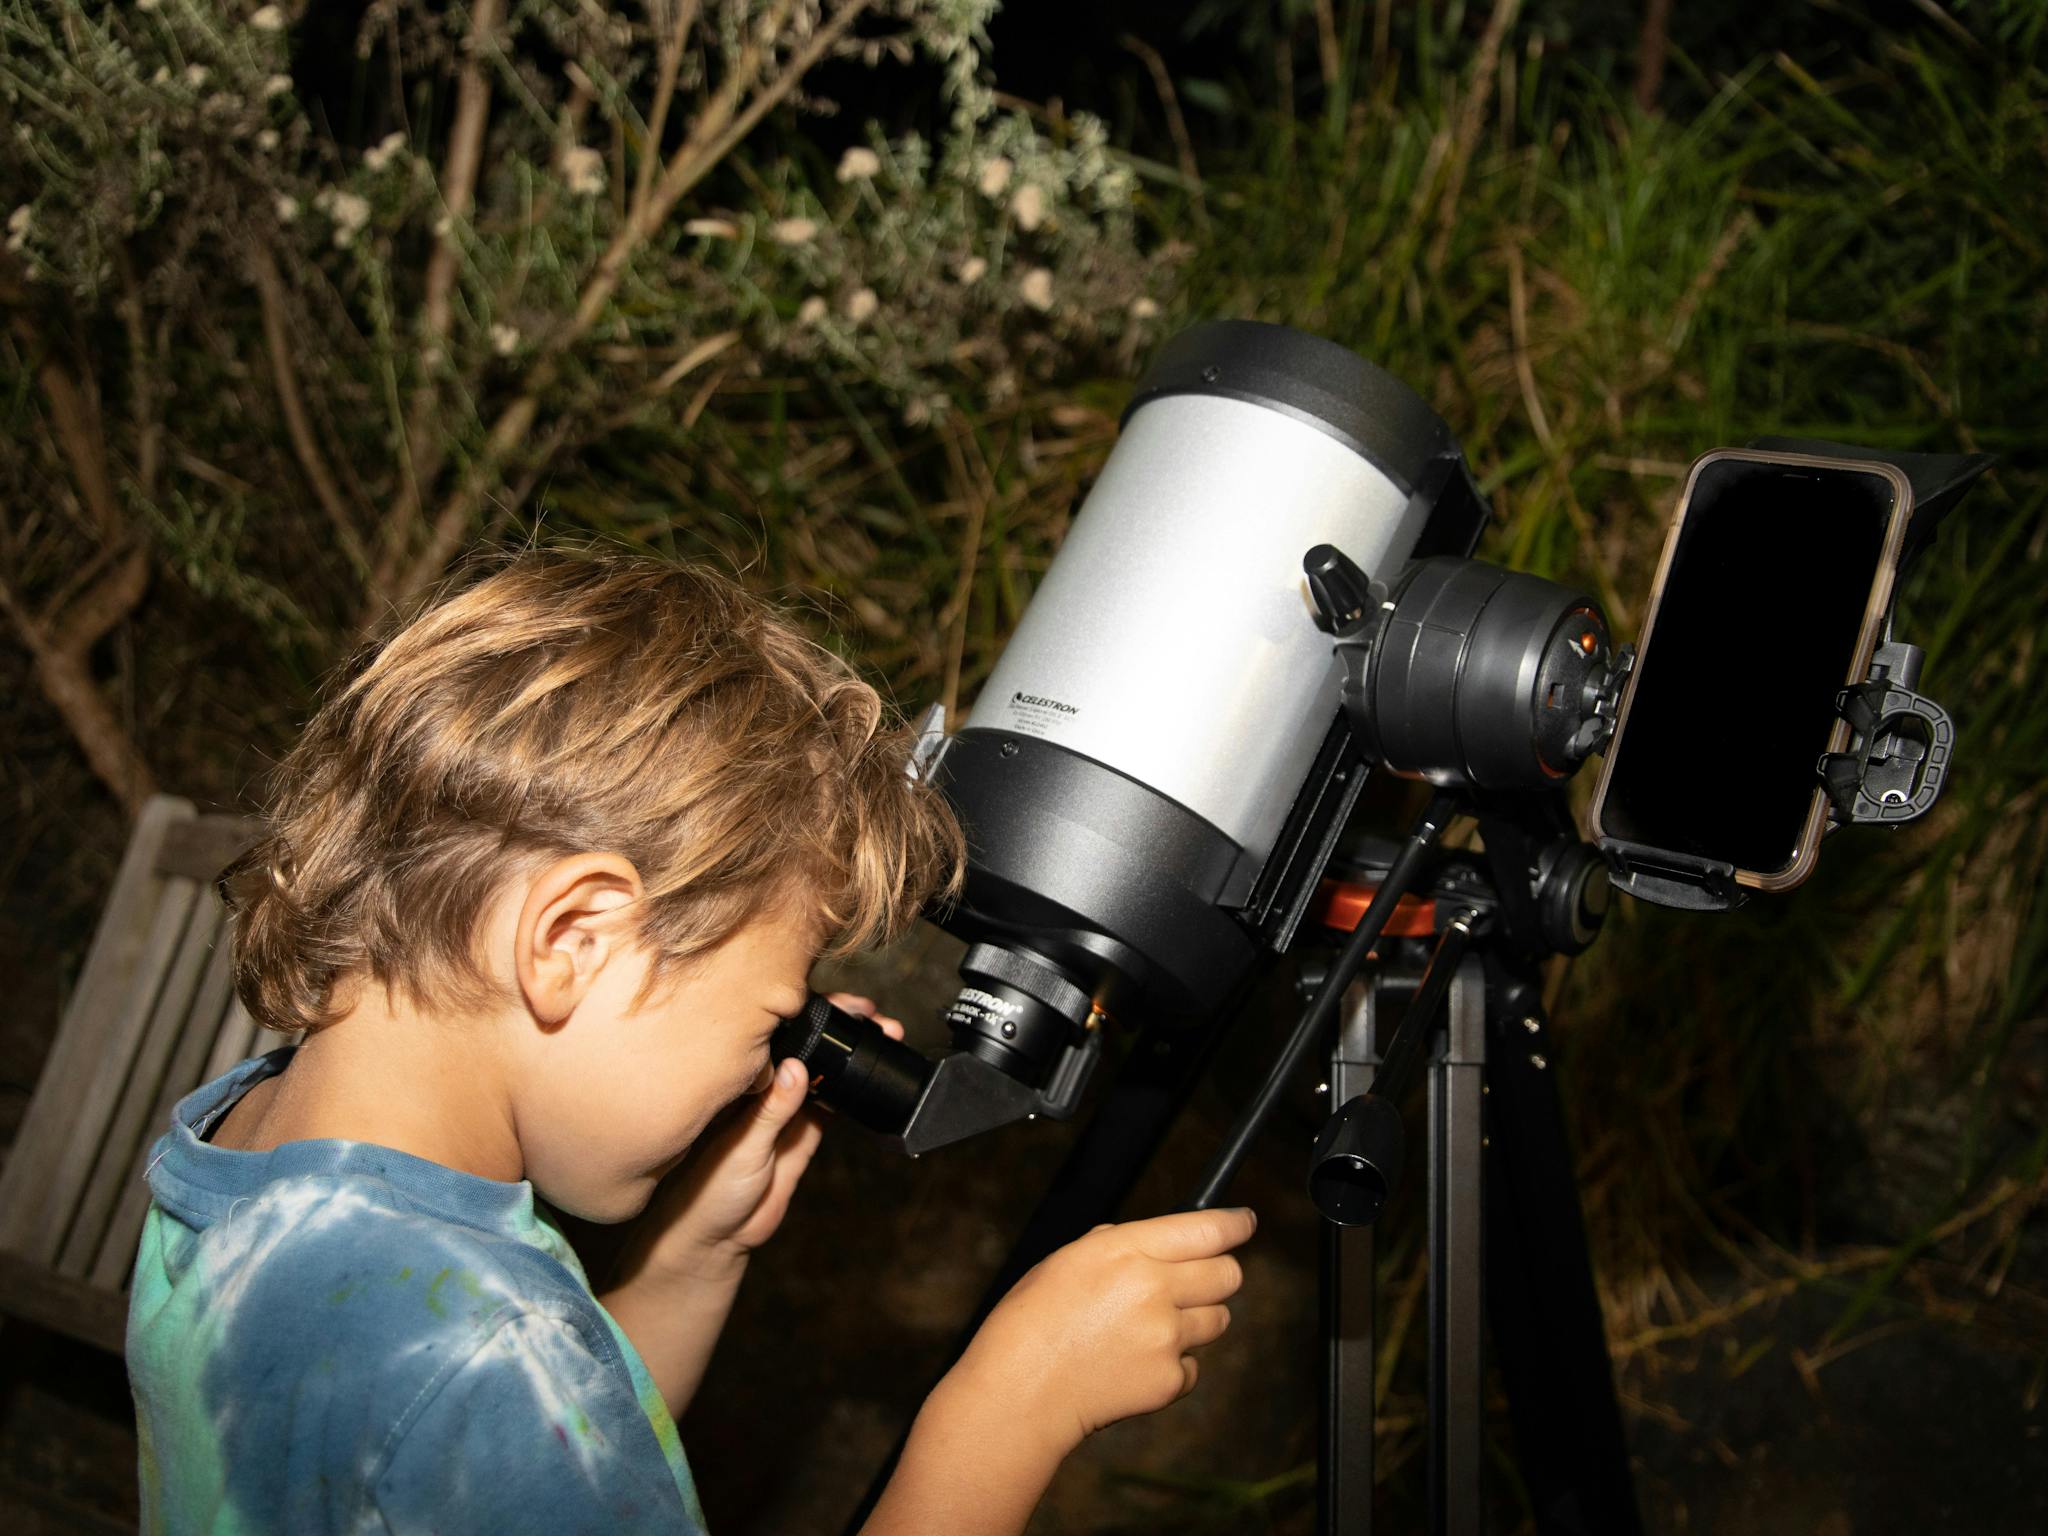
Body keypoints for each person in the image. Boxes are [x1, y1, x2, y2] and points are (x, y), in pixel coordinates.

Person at [126, 550, 1254, 1535]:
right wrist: (1008, 1413)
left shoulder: (238, 1151)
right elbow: (508, 1410)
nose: (764, 1062)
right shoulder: (484, 1351)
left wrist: (686, 1263)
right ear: (571, 937)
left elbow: (529, 1466)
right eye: (772, 1013)